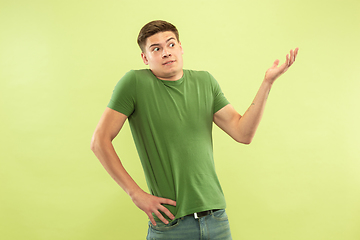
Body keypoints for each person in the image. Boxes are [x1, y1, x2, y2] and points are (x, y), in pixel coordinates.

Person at [91, 20, 298, 240]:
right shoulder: (134, 83)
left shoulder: (205, 81)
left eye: (171, 45)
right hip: (172, 223)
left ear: (181, 47)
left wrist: (267, 82)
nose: (166, 53)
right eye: (156, 49)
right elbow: (99, 141)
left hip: (216, 219)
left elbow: (243, 133)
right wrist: (135, 194)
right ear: (145, 58)